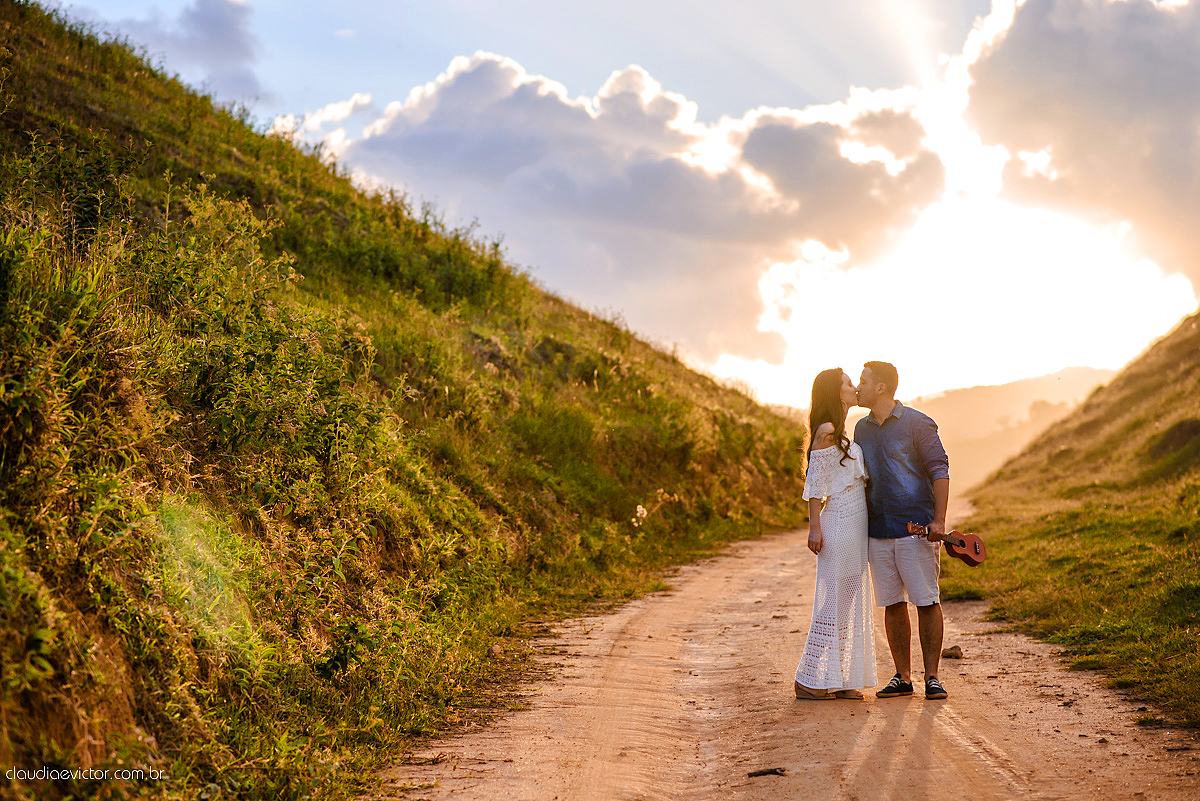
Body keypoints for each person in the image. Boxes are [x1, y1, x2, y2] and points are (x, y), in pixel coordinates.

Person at [853, 361, 951, 700]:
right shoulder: (861, 429)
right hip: (878, 531)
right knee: (893, 603)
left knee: (926, 600)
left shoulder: (917, 423)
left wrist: (939, 521)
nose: (858, 388)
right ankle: (903, 676)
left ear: (880, 388)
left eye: (863, 382)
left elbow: (940, 470)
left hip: (916, 530)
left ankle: (933, 677)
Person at [794, 369, 877, 701]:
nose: (854, 387)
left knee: (846, 603)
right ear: (835, 392)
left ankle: (839, 677)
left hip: (855, 528)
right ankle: (808, 678)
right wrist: (814, 527)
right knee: (836, 602)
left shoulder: (842, 432)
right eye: (847, 383)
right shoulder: (828, 431)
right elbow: (815, 484)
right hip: (839, 524)